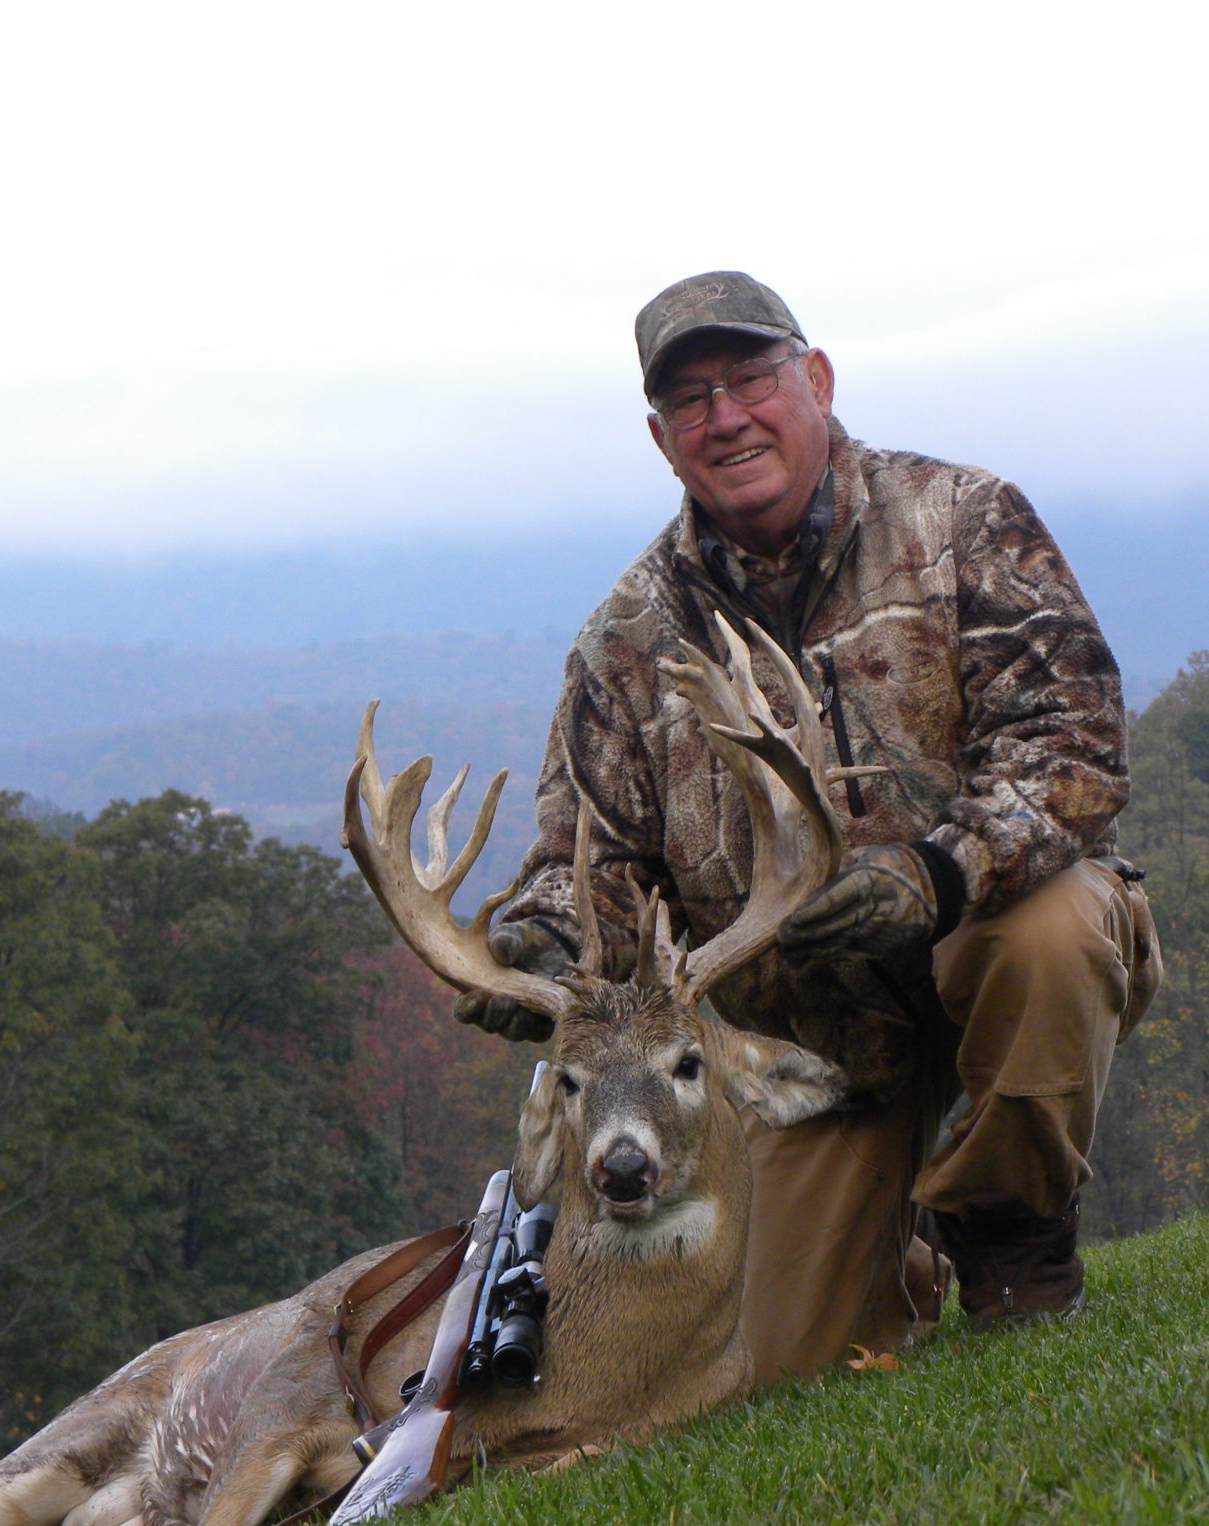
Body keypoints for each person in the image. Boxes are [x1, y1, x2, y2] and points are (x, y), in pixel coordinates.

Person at [453, 271, 1162, 1382]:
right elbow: (587, 858)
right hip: (805, 1038)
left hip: (984, 941)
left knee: (1053, 932)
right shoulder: (626, 637)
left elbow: (1071, 746)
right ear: (660, 437)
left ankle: (1009, 1234)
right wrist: (536, 949)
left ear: (815, 380)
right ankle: (904, 1257)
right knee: (776, 1368)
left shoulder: (961, 519)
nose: (724, 416)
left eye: (748, 378)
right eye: (689, 400)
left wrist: (938, 872)